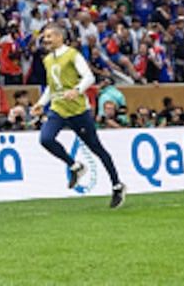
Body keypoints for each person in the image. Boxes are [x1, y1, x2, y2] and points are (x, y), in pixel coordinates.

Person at [30, 23, 127, 209]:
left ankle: (117, 185)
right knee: (46, 139)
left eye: (49, 36)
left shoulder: (72, 55)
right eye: (44, 36)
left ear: (60, 37)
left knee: (96, 148)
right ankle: (75, 166)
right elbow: (52, 86)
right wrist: (41, 103)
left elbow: (89, 77)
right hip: (58, 109)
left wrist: (77, 90)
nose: (45, 39)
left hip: (78, 111)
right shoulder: (48, 59)